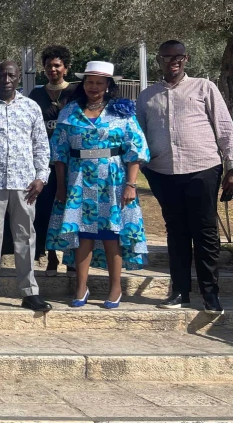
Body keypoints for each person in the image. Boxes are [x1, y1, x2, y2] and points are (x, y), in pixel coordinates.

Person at [138, 40, 233, 315]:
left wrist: (231, 166)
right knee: (176, 232)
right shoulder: (147, 96)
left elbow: (225, 128)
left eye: (178, 57)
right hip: (163, 172)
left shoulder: (204, 87)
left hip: (202, 168)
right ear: (159, 60)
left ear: (186, 59)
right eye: (167, 57)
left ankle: (210, 294)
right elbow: (139, 135)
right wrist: (142, 167)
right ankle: (179, 291)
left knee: (205, 232)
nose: (173, 62)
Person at [47, 61, 149, 309]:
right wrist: (60, 187)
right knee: (83, 235)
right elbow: (59, 152)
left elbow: (136, 149)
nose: (93, 86)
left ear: (108, 85)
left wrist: (131, 184)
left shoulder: (121, 112)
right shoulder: (69, 111)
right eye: (89, 81)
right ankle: (81, 286)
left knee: (111, 234)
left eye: (99, 82)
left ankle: (116, 288)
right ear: (83, 83)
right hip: (78, 182)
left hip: (112, 182)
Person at [0, 61, 52, 312]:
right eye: (1, 74)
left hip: (25, 185)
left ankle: (29, 291)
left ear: (19, 78)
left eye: (11, 75)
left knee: (25, 238)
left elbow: (41, 144)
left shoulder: (31, 108)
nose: (6, 79)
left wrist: (42, 177)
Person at [28, 46, 78, 272]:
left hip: (73, 165)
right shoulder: (36, 95)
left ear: (65, 68)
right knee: (46, 211)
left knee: (72, 211)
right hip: (44, 165)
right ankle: (49, 256)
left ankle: (72, 258)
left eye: (57, 65)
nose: (53, 69)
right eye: (49, 66)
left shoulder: (77, 93)